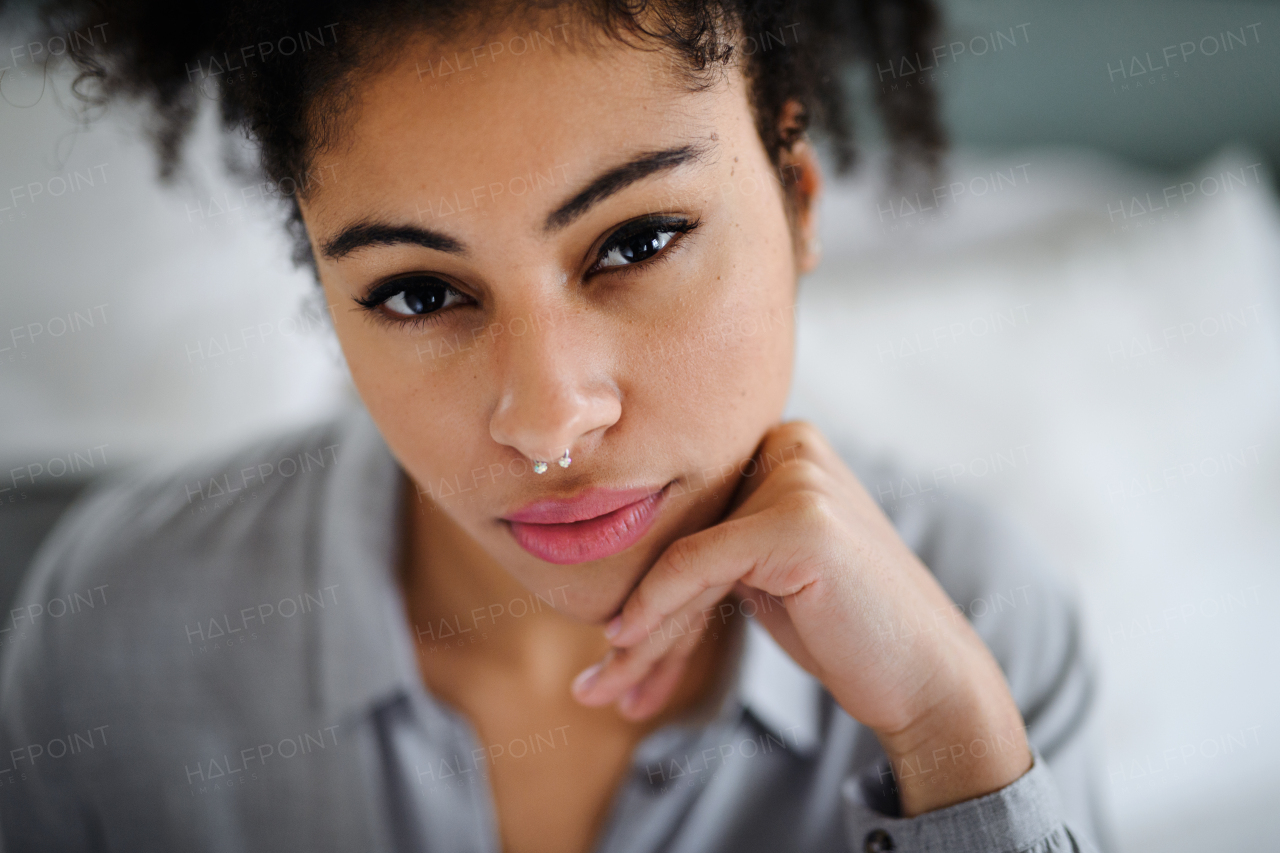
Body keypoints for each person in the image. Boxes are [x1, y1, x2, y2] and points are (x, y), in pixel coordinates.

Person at [0, 1, 1112, 850]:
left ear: (797, 199)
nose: (546, 424)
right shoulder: (116, 630)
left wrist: (948, 742)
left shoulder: (978, 637)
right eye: (419, 293)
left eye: (635, 243)